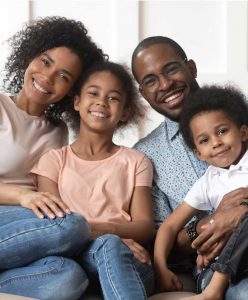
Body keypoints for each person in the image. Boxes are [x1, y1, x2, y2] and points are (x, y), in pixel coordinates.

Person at [131, 36, 248, 299]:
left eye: (171, 69)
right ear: (143, 93)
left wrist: (243, 210)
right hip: (212, 264)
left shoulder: (242, 112)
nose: (165, 84)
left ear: (191, 68)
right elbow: (167, 237)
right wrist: (214, 222)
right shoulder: (146, 155)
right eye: (150, 81)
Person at [0, 16, 106, 299]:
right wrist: (24, 197)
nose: (47, 77)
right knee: (71, 225)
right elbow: (42, 204)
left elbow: (57, 195)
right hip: (13, 212)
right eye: (45, 62)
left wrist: (111, 237)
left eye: (63, 76)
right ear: (30, 54)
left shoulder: (58, 132)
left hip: (26, 227)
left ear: (72, 91)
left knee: (69, 277)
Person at [30, 61, 155, 300]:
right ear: (77, 102)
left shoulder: (137, 161)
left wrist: (109, 236)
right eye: (93, 93)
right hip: (76, 259)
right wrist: (112, 236)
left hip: (129, 261)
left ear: (125, 112)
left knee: (111, 247)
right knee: (106, 246)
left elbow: (145, 227)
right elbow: (56, 226)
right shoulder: (53, 161)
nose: (101, 102)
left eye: (113, 98)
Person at [154, 84, 248, 300]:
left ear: (242, 133)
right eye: (205, 140)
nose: (216, 143)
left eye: (222, 131)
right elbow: (169, 225)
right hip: (213, 268)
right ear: (199, 154)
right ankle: (213, 289)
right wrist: (160, 266)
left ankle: (214, 292)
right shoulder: (208, 181)